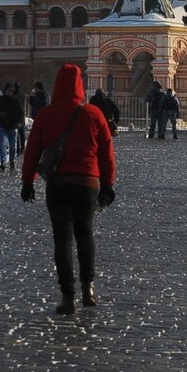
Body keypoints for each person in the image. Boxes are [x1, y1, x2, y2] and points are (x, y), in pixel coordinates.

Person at [19, 63, 116, 316]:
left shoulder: (46, 114)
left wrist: (27, 182)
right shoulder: (94, 114)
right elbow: (107, 154)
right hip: (87, 182)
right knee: (85, 234)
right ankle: (89, 289)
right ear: (81, 86)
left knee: (62, 238)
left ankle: (67, 296)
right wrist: (108, 184)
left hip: (58, 183)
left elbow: (32, 152)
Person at [0, 84, 23, 172]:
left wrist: (20, 122)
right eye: (8, 91)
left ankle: (12, 160)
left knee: (13, 146)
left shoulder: (16, 101)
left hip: (13, 126)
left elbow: (21, 113)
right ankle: (3, 162)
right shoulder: (0, 100)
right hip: (2, 126)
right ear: (5, 91)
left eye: (11, 91)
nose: (9, 92)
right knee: (3, 145)